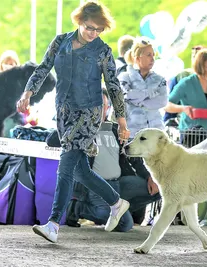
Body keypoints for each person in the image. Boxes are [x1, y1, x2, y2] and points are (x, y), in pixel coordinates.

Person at [16, 1, 131, 243]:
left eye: (99, 30)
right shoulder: (60, 41)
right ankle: (117, 202)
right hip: (64, 113)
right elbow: (44, 67)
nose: (94, 34)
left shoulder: (103, 51)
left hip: (89, 113)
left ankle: (54, 223)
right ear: (79, 21)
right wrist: (28, 93)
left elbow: (113, 86)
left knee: (66, 165)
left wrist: (121, 120)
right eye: (90, 28)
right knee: (82, 171)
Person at [72, 88, 161, 232]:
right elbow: (51, 139)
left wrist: (150, 176)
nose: (99, 109)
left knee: (162, 187)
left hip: (119, 184)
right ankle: (77, 209)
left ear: (107, 108)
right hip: (95, 188)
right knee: (125, 225)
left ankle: (124, 209)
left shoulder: (115, 129)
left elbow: (135, 158)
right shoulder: (80, 128)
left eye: (103, 105)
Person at [117, 37, 168, 138]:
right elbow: (126, 95)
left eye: (153, 55)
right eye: (148, 55)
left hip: (155, 134)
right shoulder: (124, 77)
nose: (152, 58)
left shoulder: (160, 79)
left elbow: (162, 101)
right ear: (137, 58)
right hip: (132, 133)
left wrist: (137, 101)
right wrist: (150, 93)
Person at [163, 45, 206, 125]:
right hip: (185, 128)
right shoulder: (181, 78)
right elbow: (168, 105)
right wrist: (183, 108)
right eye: (194, 57)